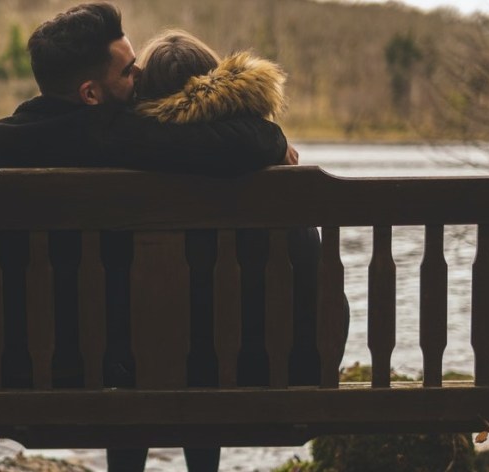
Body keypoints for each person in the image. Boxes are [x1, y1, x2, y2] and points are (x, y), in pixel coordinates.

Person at [0, 4, 295, 472]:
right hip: (98, 374)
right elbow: (251, 139)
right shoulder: (121, 138)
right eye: (130, 71)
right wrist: (277, 143)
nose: (139, 80)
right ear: (91, 93)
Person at [116, 30, 332, 472]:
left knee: (152, 341)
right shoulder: (266, 155)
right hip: (275, 372)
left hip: (138, 376)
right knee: (210, 340)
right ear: (216, 79)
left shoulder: (122, 155)